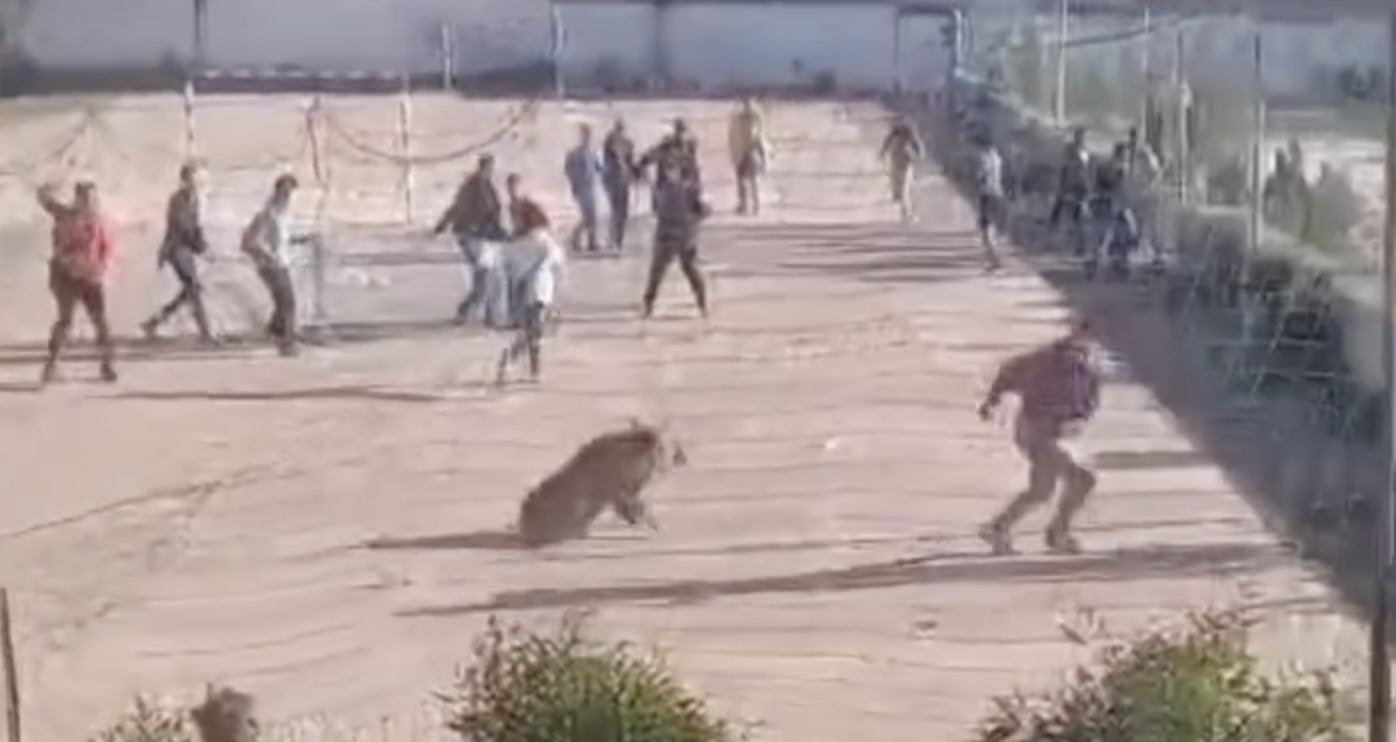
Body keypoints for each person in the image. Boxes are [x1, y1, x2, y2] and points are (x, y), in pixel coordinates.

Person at [976, 318, 1102, 555]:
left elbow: (1089, 399)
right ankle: (1056, 533)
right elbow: (1009, 371)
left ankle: (1000, 527)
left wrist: (1080, 418)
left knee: (1041, 490)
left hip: (1060, 433)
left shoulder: (1090, 365)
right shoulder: (1046, 359)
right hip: (1038, 430)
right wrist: (991, 402)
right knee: (1083, 478)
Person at [37, 180, 117, 384]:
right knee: (66, 321)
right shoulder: (66, 217)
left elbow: (105, 246)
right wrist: (44, 188)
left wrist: (103, 267)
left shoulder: (97, 221)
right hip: (67, 277)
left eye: (93, 199)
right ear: (77, 199)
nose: (90, 203)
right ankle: (51, 364)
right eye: (86, 199)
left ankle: (107, 364)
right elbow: (46, 202)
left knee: (100, 321)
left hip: (91, 276)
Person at [497, 173, 566, 386]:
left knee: (533, 331)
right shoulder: (535, 242)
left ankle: (514, 362)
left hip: (536, 290)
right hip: (537, 291)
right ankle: (524, 366)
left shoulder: (530, 241)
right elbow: (557, 263)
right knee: (534, 331)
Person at [142, 162, 216, 344]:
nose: (196, 183)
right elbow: (182, 228)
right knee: (193, 288)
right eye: (192, 179)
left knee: (192, 289)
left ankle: (154, 322)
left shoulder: (195, 200)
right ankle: (205, 331)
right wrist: (202, 248)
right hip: (176, 249)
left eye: (198, 179)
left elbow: (196, 228)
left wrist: (204, 246)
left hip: (186, 249)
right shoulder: (178, 200)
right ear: (184, 180)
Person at [241, 174, 312, 357]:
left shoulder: (284, 214)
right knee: (287, 302)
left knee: (283, 303)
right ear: (279, 192)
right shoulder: (268, 213)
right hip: (270, 265)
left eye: (292, 193)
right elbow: (248, 241)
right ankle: (287, 343)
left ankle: (274, 332)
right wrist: (265, 255)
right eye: (286, 192)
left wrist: (301, 240)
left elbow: (282, 240)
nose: (290, 197)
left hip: (282, 262)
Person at [434, 154, 508, 326]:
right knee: (486, 274)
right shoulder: (477, 187)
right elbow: (486, 212)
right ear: (486, 167)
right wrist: (501, 233)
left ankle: (482, 313)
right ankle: (472, 312)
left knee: (486, 275)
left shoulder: (479, 185)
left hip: (477, 236)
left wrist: (441, 226)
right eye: (490, 168)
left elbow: (456, 207)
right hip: (473, 235)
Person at [641, 160, 709, 319]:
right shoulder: (687, 189)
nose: (670, 172)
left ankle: (648, 305)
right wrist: (694, 221)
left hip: (672, 234)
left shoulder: (665, 190)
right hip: (677, 235)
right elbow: (703, 211)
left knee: (663, 271)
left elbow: (657, 211)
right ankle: (702, 305)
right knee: (677, 270)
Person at [564, 123, 607, 254]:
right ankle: (575, 239)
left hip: (591, 186)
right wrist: (574, 183)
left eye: (588, 135)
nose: (586, 137)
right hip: (581, 187)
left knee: (592, 216)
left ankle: (591, 242)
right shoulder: (574, 153)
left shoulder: (592, 152)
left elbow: (599, 168)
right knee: (586, 216)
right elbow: (568, 169)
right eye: (584, 134)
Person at [1048, 127, 1090, 254]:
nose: (1081, 139)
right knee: (1062, 213)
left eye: (1082, 136)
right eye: (1079, 136)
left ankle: (1078, 245)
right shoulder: (1075, 151)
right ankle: (1057, 238)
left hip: (1077, 187)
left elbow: (1082, 173)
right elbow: (1065, 169)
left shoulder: (1083, 152)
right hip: (1071, 186)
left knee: (1076, 217)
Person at [878, 115, 924, 223]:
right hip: (902, 163)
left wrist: (882, 154)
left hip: (901, 163)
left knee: (901, 189)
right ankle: (906, 213)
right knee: (902, 190)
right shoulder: (906, 135)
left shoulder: (900, 134)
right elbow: (919, 148)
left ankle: (906, 212)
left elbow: (886, 145)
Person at [728, 97, 770, 215]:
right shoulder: (754, 119)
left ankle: (748, 205)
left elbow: (739, 135)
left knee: (747, 180)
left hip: (748, 151)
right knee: (749, 180)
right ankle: (752, 205)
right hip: (750, 151)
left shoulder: (744, 119)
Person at [972, 132, 1006, 270]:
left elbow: (980, 175)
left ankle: (994, 258)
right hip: (998, 193)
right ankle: (994, 255)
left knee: (986, 228)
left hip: (987, 193)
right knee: (991, 227)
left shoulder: (983, 157)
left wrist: (974, 182)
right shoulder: (997, 157)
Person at [602, 119, 638, 250]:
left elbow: (631, 163)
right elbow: (610, 162)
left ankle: (618, 240)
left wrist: (634, 175)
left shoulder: (628, 144)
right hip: (613, 181)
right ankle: (613, 239)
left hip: (622, 182)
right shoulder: (610, 142)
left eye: (621, 130)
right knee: (615, 211)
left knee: (622, 212)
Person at [639, 118, 702, 188]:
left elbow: (694, 174)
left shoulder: (687, 151)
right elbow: (649, 157)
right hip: (666, 186)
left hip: (681, 188)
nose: (680, 135)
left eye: (681, 131)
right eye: (679, 131)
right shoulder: (665, 147)